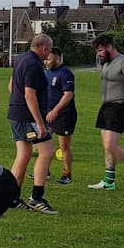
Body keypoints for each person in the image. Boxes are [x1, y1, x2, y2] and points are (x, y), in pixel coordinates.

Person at [88, 34, 124, 192]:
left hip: (119, 107)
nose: (98, 54)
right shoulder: (105, 62)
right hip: (106, 107)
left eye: (100, 50)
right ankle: (109, 181)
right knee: (107, 147)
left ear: (109, 47)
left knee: (110, 144)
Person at [7, 33, 55, 214]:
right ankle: (36, 197)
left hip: (16, 114)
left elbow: (11, 87)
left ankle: (10, 196)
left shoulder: (21, 59)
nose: (49, 54)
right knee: (47, 152)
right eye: (49, 50)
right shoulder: (34, 65)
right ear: (43, 48)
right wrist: (40, 124)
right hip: (28, 117)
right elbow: (29, 94)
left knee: (24, 154)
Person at [44, 46, 76, 184]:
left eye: (48, 59)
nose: (46, 62)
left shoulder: (66, 73)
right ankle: (44, 171)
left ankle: (67, 174)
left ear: (57, 58)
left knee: (64, 146)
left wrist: (55, 110)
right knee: (44, 143)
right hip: (49, 114)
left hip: (64, 114)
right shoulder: (47, 73)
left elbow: (68, 95)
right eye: (45, 59)